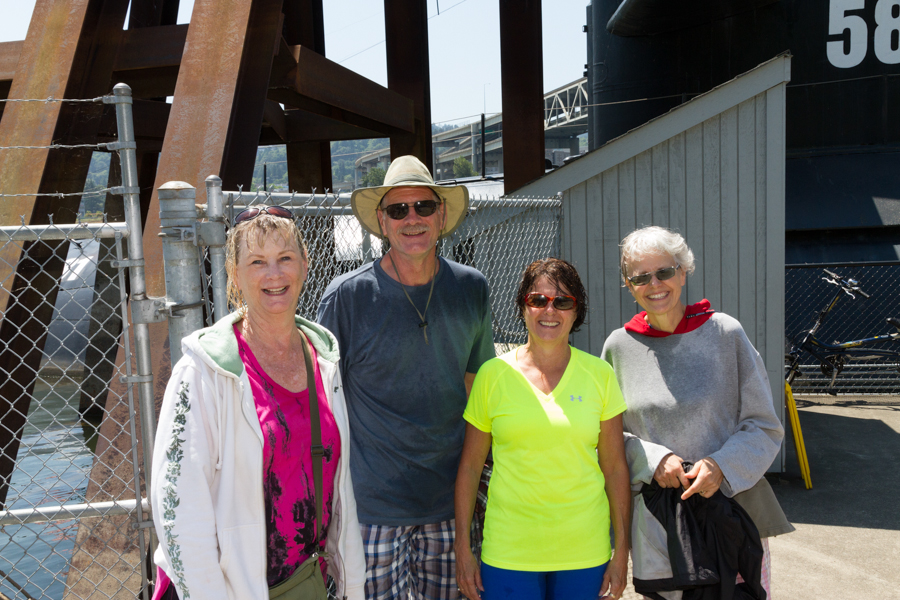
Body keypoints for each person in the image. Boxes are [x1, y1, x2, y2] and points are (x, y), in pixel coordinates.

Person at [150, 205, 365, 600]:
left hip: (303, 583)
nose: (274, 274)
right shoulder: (203, 373)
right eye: (257, 262)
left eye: (285, 258)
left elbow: (339, 490)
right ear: (233, 273)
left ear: (304, 264)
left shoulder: (325, 361)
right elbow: (178, 511)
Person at [317, 156, 495, 600]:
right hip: (372, 505)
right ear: (381, 220)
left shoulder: (472, 288)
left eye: (422, 206)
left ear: (441, 216)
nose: (411, 218)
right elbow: (321, 400)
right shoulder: (346, 297)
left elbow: (478, 389)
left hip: (449, 500)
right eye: (398, 210)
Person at [600, 226, 793, 598]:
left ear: (684, 270)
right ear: (628, 285)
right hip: (659, 525)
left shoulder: (725, 333)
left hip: (732, 516)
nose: (654, 284)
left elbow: (764, 425)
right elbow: (605, 436)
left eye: (665, 271)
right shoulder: (618, 347)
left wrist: (720, 466)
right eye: (640, 277)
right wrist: (653, 459)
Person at [455, 258, 631, 600]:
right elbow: (470, 466)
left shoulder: (600, 375)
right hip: (509, 550)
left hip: (584, 549)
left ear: (576, 312)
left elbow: (614, 467)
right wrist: (463, 547)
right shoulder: (492, 375)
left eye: (563, 301)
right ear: (523, 305)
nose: (549, 310)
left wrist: (621, 550)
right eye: (538, 299)